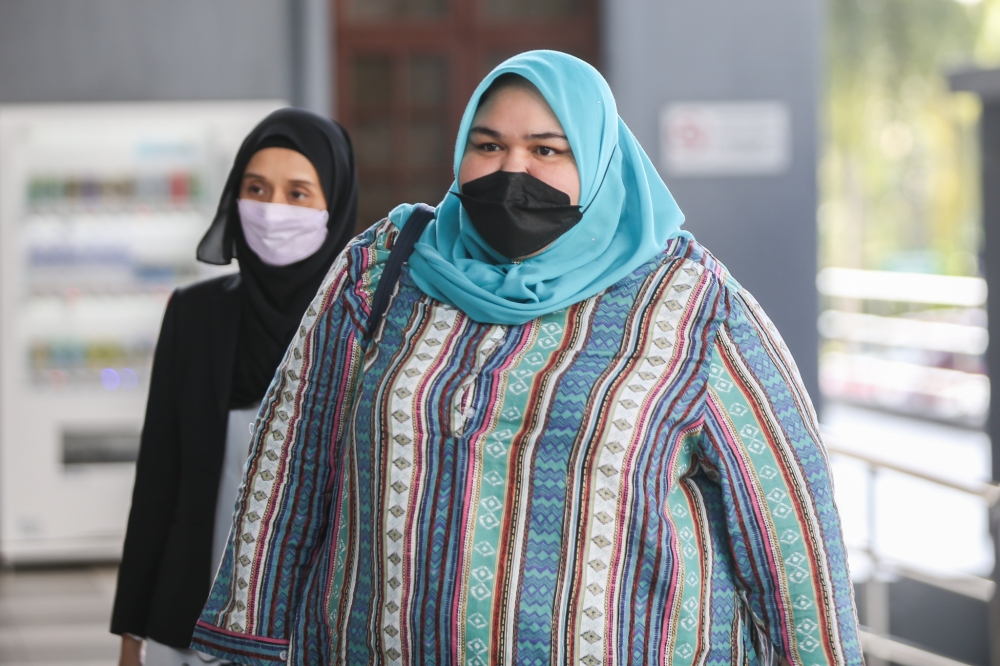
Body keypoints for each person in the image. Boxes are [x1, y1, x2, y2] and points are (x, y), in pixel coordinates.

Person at [193, 52, 862, 664]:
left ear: (599, 160)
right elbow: (290, 469)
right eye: (488, 146)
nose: (513, 171)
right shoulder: (382, 270)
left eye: (547, 149)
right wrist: (242, 646)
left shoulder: (693, 307)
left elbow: (792, 534)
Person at [110, 108, 358, 666]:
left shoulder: (364, 322)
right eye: (256, 188)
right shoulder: (195, 315)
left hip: (313, 617)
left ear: (335, 205)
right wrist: (132, 630)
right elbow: (158, 478)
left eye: (298, 193)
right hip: (191, 603)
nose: (272, 210)